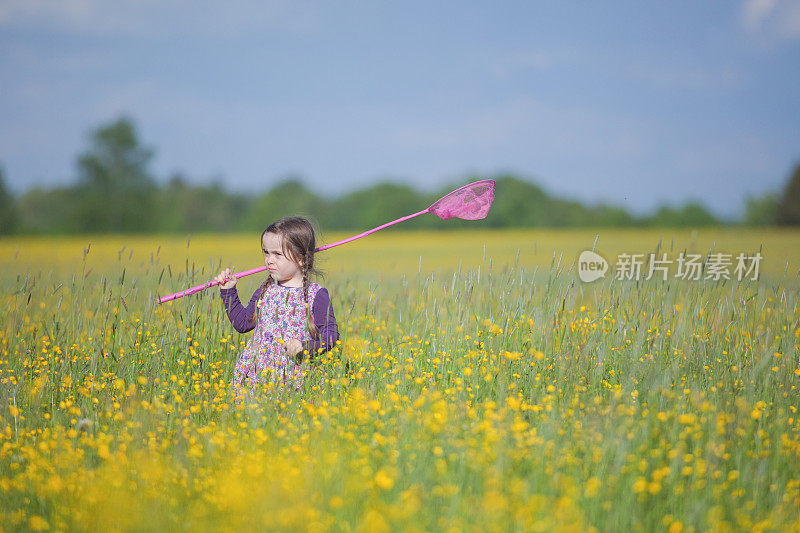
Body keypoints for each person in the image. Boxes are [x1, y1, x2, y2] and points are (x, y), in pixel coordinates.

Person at [214, 216, 339, 396]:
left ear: (301, 258)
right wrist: (228, 291)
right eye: (266, 252)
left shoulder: (316, 294)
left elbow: (331, 335)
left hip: (294, 378)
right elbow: (242, 324)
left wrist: (305, 347)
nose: (269, 260)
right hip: (256, 377)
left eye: (277, 254)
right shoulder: (265, 291)